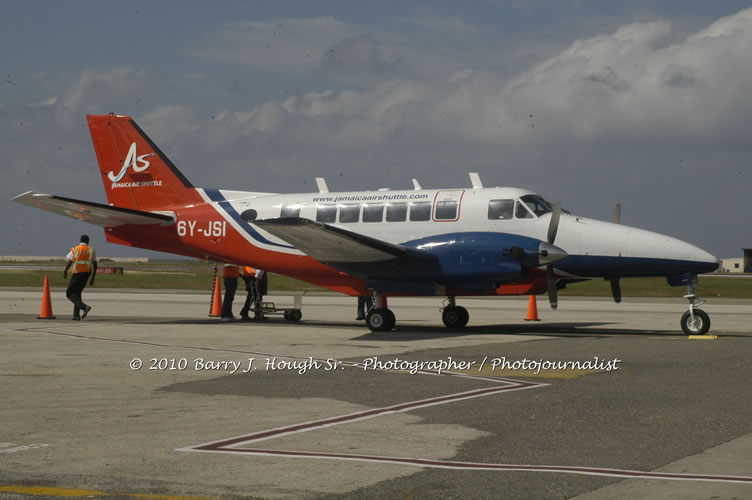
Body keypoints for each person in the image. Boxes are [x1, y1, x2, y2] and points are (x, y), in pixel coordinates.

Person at [63, 234, 97, 320]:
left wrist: (65, 271)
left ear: (80, 241)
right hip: (86, 274)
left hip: (77, 273)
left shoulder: (75, 249)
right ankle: (76, 315)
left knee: (69, 293)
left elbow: (70, 261)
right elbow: (95, 264)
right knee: (77, 293)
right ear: (88, 241)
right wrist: (93, 277)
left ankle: (84, 307)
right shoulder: (91, 250)